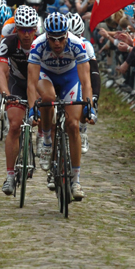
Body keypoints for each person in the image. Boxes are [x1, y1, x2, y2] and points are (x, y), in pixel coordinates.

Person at [27, 13, 95, 199]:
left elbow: (85, 81)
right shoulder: (37, 45)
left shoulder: (77, 44)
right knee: (48, 98)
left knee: (73, 125)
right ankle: (47, 140)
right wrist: (33, 109)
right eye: (52, 39)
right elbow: (32, 83)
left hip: (69, 78)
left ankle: (76, 180)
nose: (57, 43)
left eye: (61, 38)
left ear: (67, 35)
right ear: (46, 36)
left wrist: (89, 105)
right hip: (46, 76)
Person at [0, 6, 38, 195]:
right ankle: (10, 176)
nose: (27, 34)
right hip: (17, 85)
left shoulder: (43, 43)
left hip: (38, 84)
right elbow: (1, 70)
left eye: (30, 29)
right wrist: (5, 93)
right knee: (14, 125)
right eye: (22, 29)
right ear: (16, 29)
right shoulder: (9, 42)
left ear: (36, 29)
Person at [66, 12, 99, 153]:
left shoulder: (86, 45)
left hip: (78, 77)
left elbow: (94, 72)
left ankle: (83, 131)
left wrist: (95, 96)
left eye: (77, 36)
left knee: (84, 100)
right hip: (62, 75)